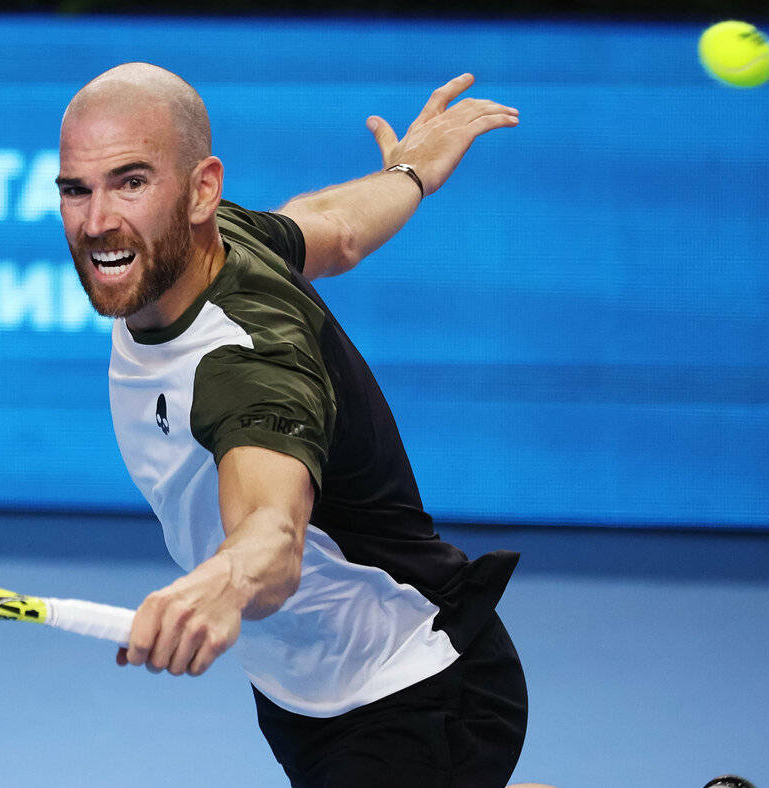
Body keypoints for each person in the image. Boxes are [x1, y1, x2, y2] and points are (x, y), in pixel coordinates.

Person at [56, 62, 527, 786]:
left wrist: (226, 580)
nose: (96, 222)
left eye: (131, 183)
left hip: (411, 688)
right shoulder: (227, 238)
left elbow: (275, 530)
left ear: (200, 190)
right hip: (302, 686)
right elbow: (335, 229)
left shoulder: (246, 365)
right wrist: (410, 172)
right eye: (76, 190)